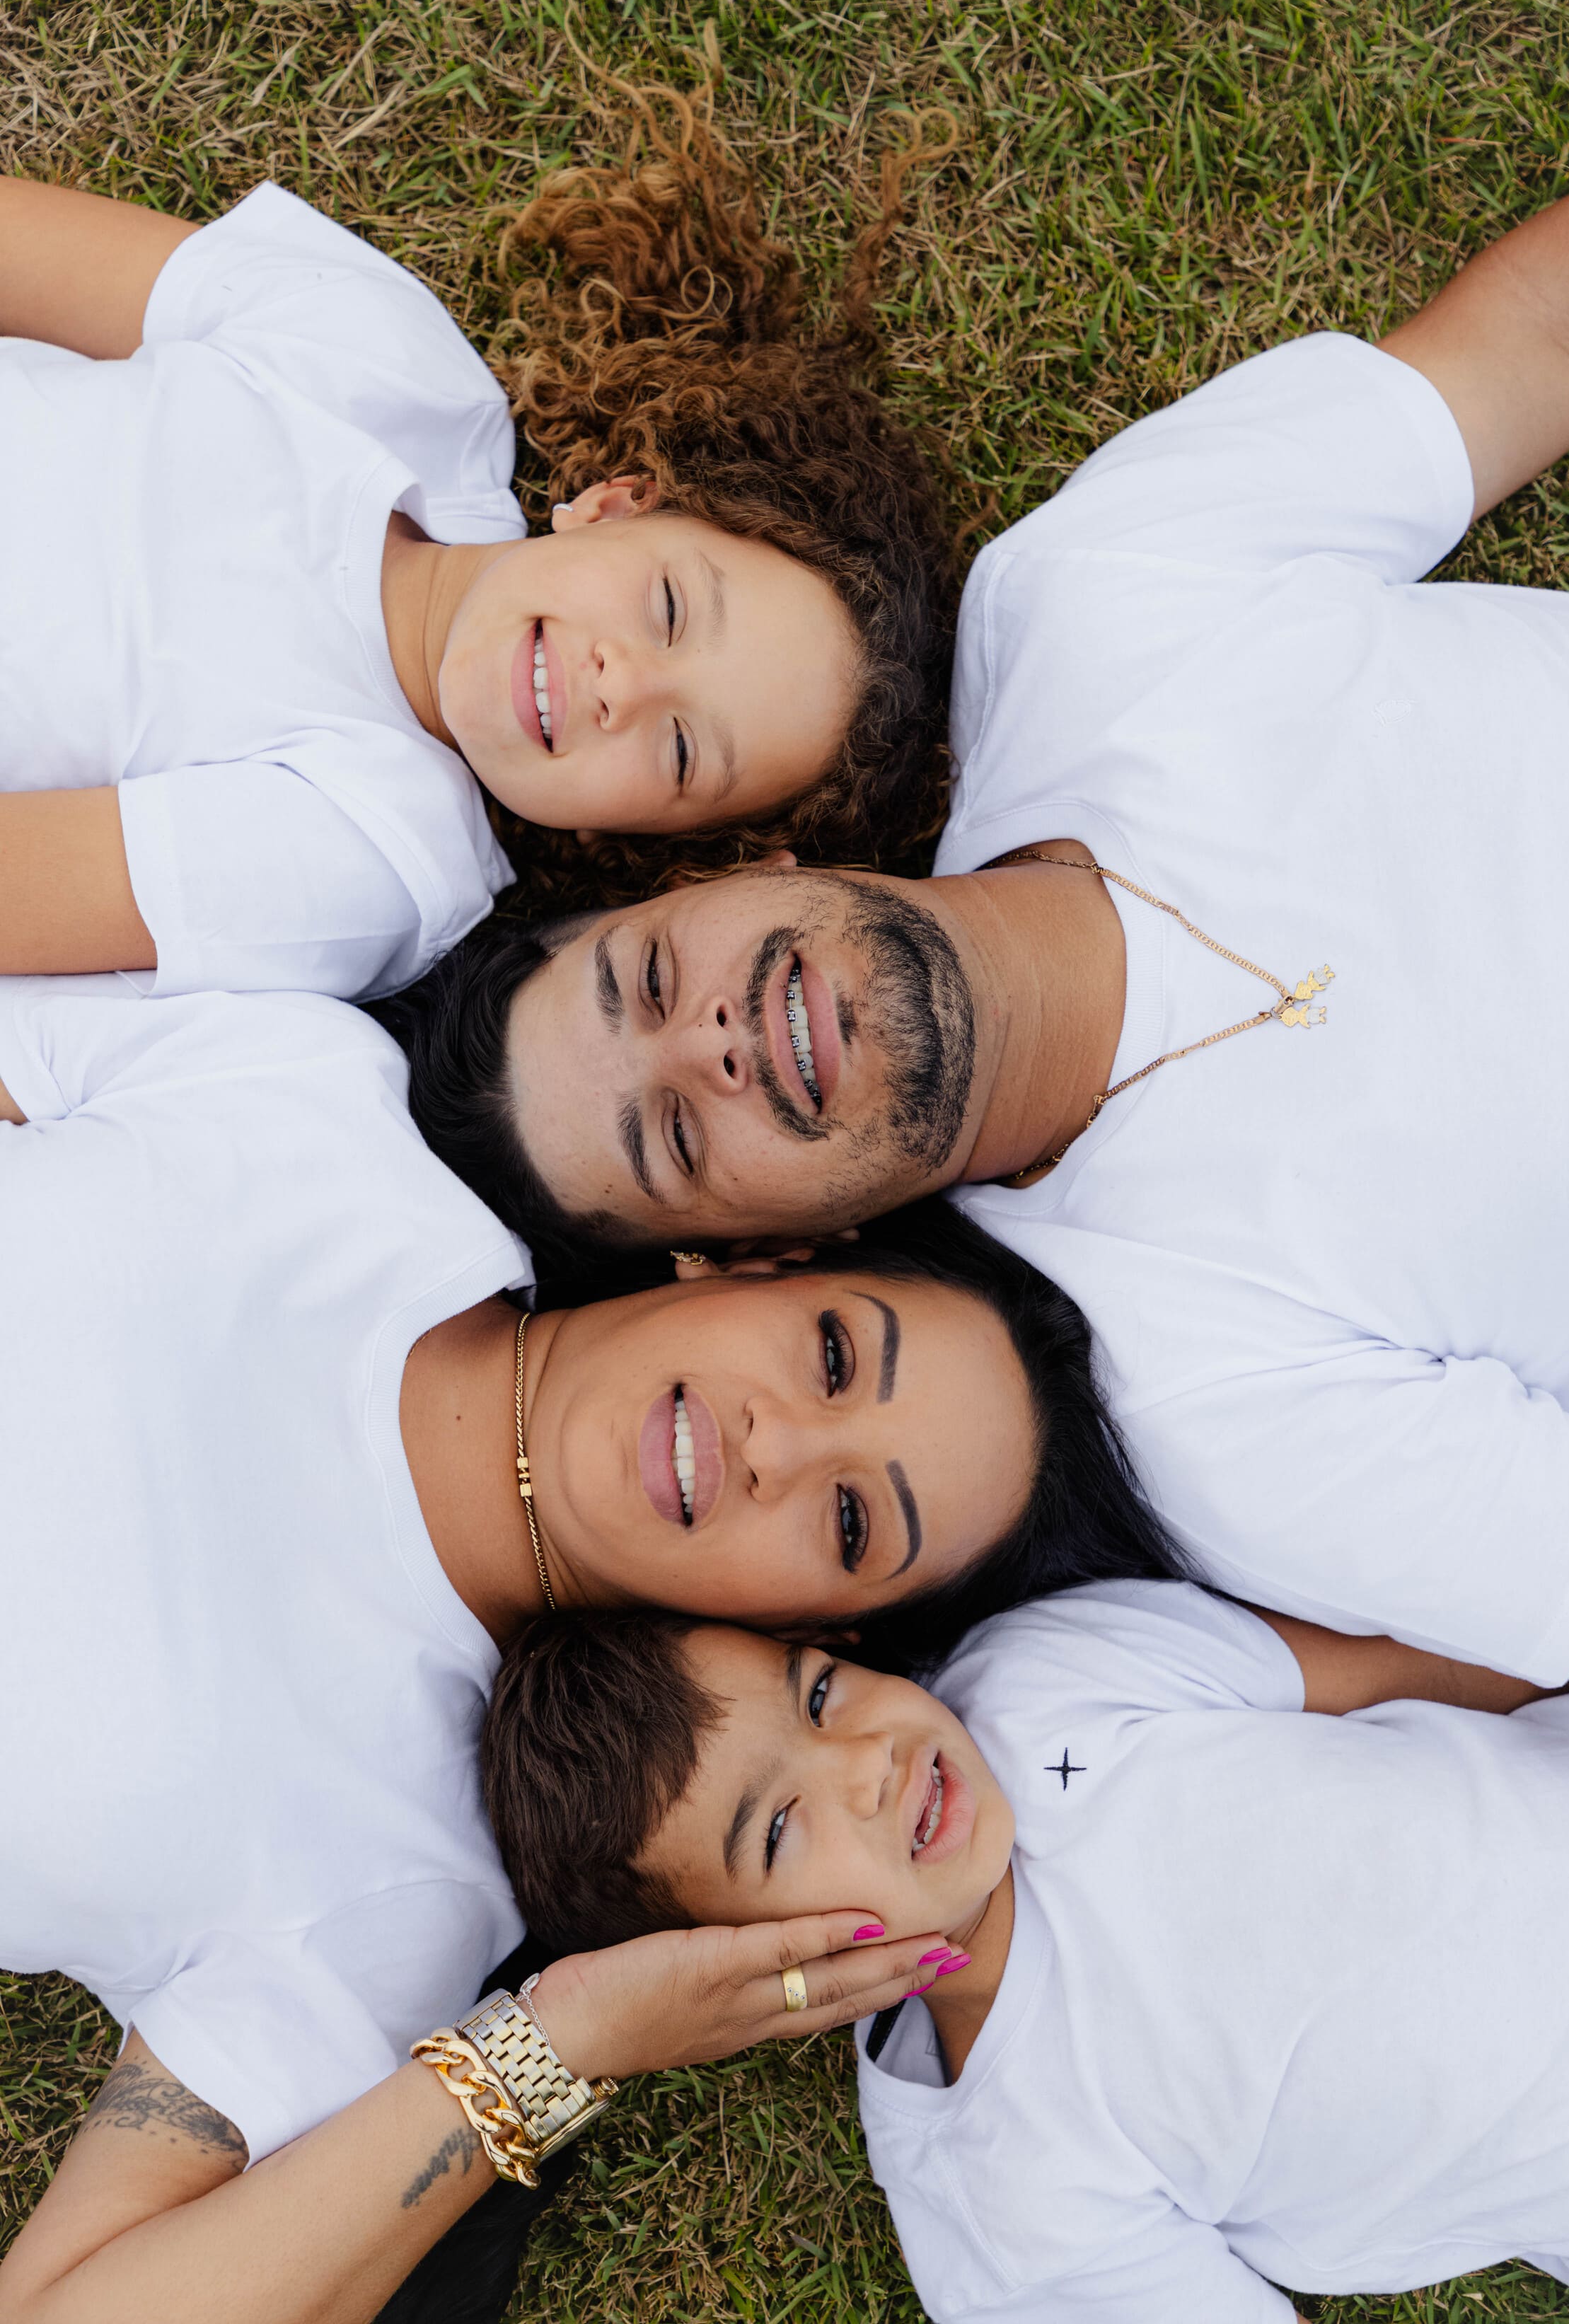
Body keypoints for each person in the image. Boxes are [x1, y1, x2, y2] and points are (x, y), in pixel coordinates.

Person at [390, 180, 1569, 1689]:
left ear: (725, 869)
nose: (713, 1044)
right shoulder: (1215, 1410)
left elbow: (1534, 343)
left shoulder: (1090, 608)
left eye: (646, 983)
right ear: (776, 1248)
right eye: (676, 1139)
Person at [0, 972, 1175, 2321]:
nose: (776, 1443)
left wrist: (561, 2047)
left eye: (851, 1521)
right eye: (836, 1358)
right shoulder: (302, 1099)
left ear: (819, 1627)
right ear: (767, 1259)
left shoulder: (400, 1879)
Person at [0, 87, 954, 1000]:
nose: (623, 684)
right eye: (669, 608)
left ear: (655, 844)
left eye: (679, 751)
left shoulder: (375, 856)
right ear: (617, 503)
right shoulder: (393, 373)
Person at [484, 1594, 1569, 2321]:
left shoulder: (1044, 1678)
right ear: (730, 1972)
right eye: (779, 1829)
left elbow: (1415, 1671)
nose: (866, 1762)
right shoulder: (1009, 2191)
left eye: (818, 1692)